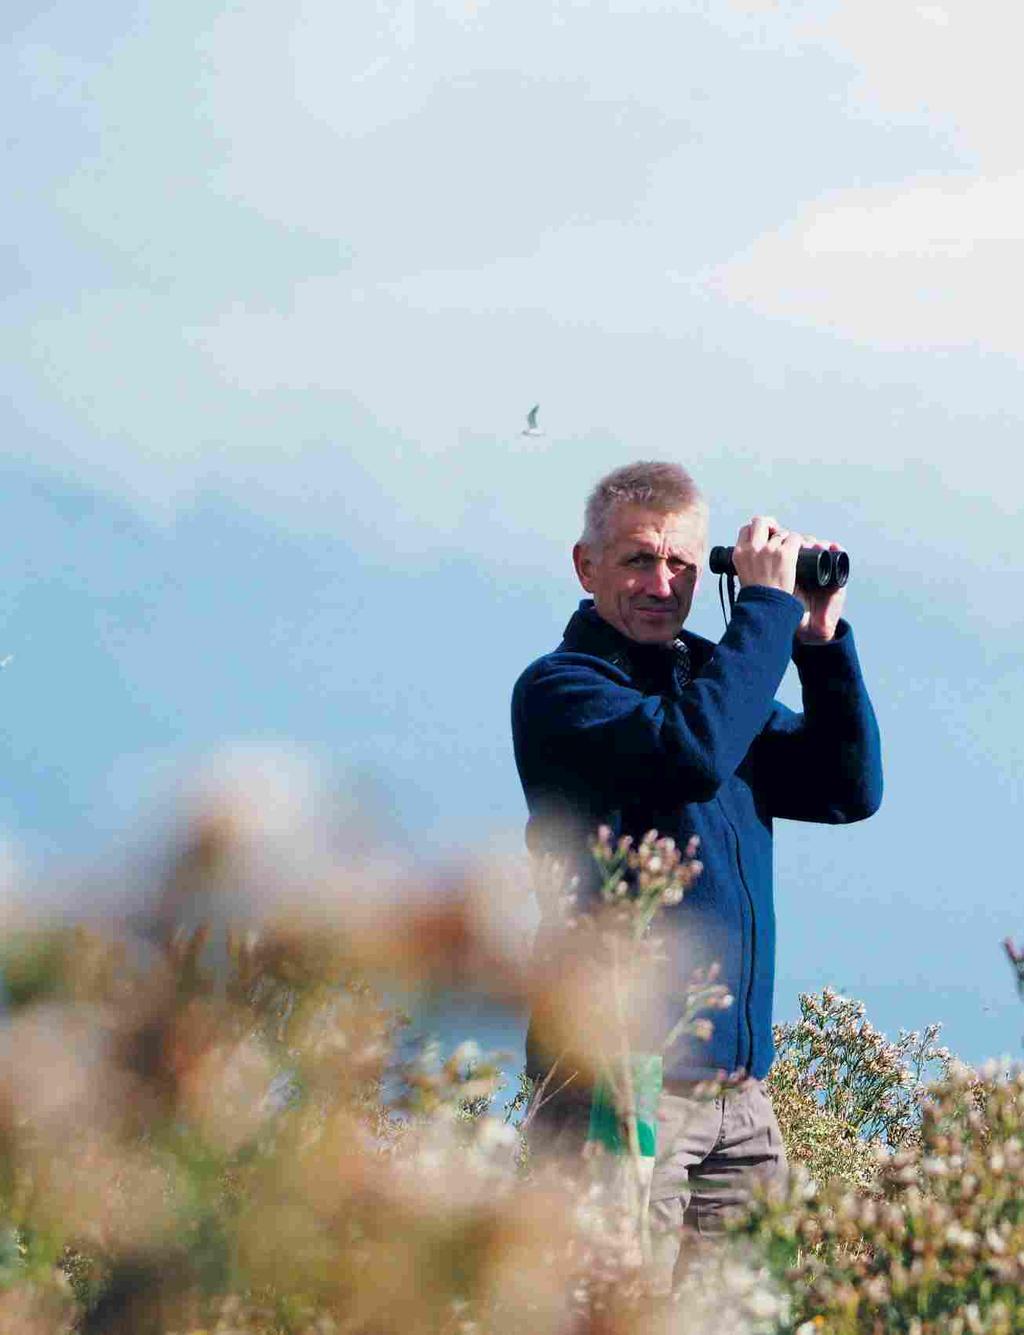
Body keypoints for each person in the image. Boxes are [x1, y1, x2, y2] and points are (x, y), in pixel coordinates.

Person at [510, 460, 882, 1274]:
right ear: (586, 566)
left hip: (738, 1100)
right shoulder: (563, 691)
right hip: (616, 1084)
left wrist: (818, 645)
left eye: (682, 562)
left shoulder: (715, 686)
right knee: (605, 1315)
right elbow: (693, 752)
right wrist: (767, 610)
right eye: (640, 559)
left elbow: (848, 788)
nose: (662, 582)